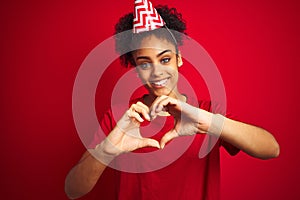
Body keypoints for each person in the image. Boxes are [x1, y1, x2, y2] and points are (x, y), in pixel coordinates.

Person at [65, 1, 279, 199]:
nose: (157, 72)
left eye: (165, 59)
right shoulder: (121, 118)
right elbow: (73, 190)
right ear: (136, 69)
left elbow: (271, 149)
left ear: (179, 59)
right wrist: (107, 149)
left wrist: (209, 121)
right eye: (145, 63)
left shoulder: (205, 111)